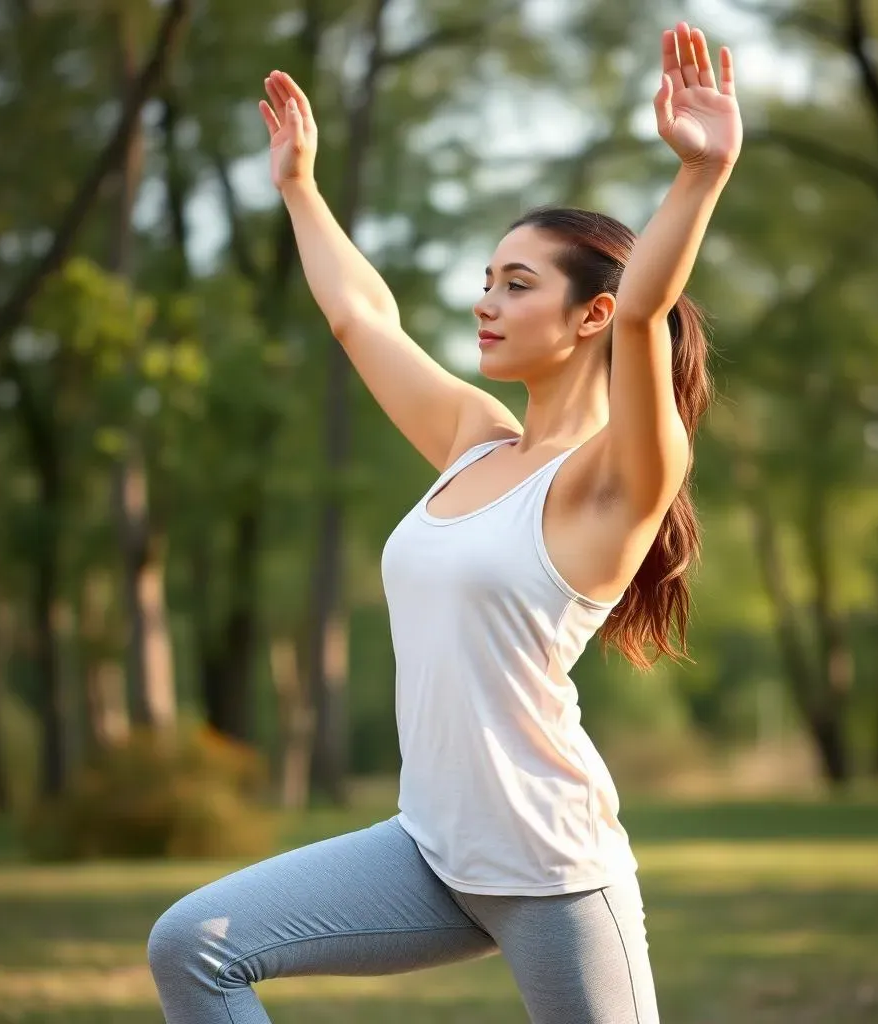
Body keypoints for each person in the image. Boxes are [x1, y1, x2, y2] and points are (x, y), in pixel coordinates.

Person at [148, 21, 741, 1024]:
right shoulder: (476, 441)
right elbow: (361, 319)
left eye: (518, 284)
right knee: (192, 946)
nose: (485, 303)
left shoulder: (614, 480)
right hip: (427, 852)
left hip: (550, 869)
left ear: (591, 317)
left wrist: (701, 173)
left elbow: (648, 312)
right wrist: (299, 187)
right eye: (486, 280)